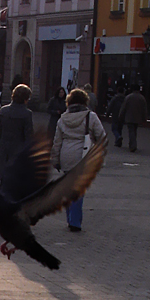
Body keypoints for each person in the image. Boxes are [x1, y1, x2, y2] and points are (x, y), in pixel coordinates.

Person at [51, 87, 106, 232]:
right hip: (83, 155)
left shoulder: (63, 118)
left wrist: (55, 159)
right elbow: (101, 136)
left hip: (66, 155)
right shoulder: (91, 116)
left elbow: (57, 141)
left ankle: (71, 217)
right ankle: (74, 221)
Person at [0, 83, 33, 181]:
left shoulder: (3, 111)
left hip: (2, 150)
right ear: (25, 99)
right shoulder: (27, 114)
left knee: (2, 180)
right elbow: (28, 137)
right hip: (18, 153)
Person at [119, 86, 148, 153]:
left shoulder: (128, 97)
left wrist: (120, 116)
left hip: (129, 117)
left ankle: (132, 145)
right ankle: (132, 143)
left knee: (131, 131)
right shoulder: (142, 98)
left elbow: (123, 107)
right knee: (134, 130)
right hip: (138, 118)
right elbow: (144, 109)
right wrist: (144, 118)